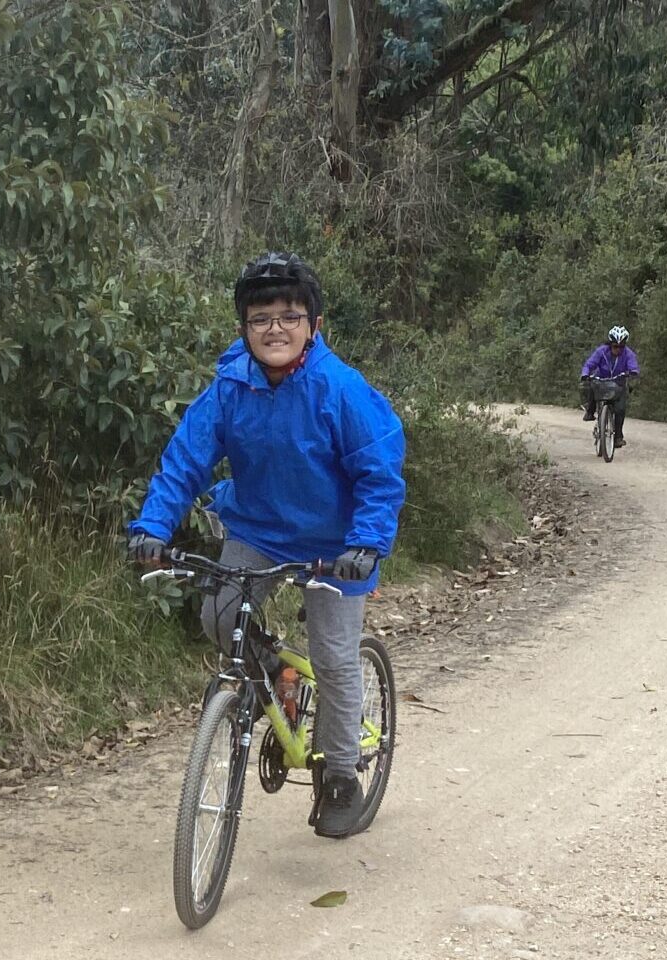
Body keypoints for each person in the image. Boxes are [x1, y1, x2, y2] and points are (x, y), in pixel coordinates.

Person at [127, 252, 406, 839]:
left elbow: (379, 473)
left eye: (289, 315)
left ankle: (340, 779)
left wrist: (367, 544)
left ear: (313, 325)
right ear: (243, 328)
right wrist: (153, 527)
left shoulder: (340, 389)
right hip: (256, 528)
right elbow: (185, 461)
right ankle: (274, 670)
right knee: (220, 614)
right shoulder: (230, 387)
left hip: (337, 543)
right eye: (260, 318)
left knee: (333, 656)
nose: (274, 328)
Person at [580, 325, 640, 448]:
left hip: (618, 383)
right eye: (615, 346)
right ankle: (590, 412)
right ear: (610, 344)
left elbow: (633, 366)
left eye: (621, 347)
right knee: (591, 386)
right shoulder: (601, 351)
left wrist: (633, 371)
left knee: (620, 409)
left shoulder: (628, 354)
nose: (617, 349)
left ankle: (618, 436)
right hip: (601, 380)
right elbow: (589, 364)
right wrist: (585, 374)